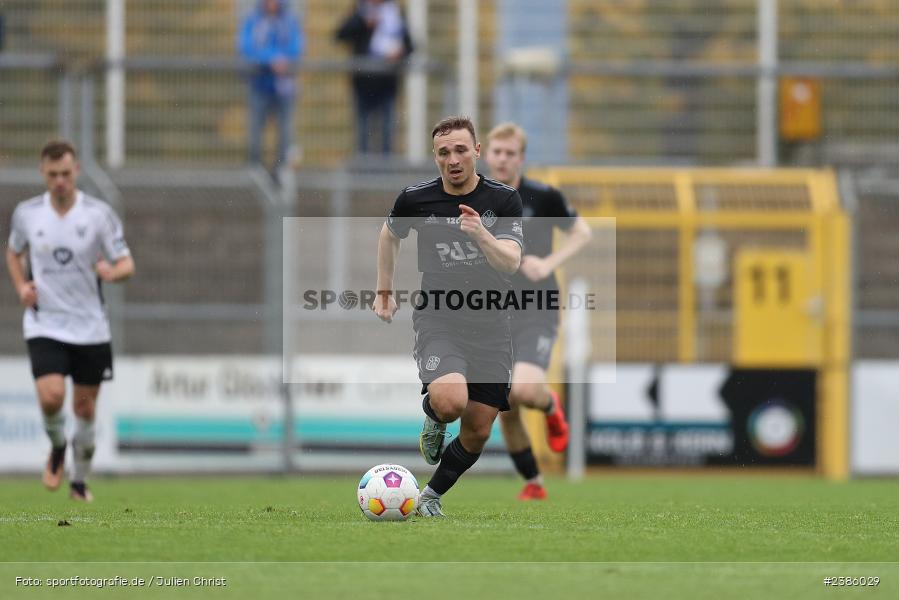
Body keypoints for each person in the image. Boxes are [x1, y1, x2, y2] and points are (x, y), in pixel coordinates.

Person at [373, 116, 524, 517]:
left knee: (477, 430)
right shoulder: (416, 199)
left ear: (476, 151)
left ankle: (430, 496)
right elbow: (389, 235)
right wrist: (384, 291)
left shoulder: (503, 200)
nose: (452, 159)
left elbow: (511, 262)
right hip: (441, 318)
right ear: (435, 157)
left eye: (460, 150)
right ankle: (434, 414)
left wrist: (480, 234)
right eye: (443, 152)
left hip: (493, 325)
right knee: (451, 401)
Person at [5, 140, 134, 502]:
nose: (59, 181)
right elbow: (13, 252)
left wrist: (112, 271)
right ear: (43, 173)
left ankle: (79, 482)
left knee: (85, 408)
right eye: (52, 174)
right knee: (51, 397)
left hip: (90, 326)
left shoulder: (98, 215)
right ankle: (58, 445)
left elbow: (127, 264)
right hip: (45, 322)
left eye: (65, 173)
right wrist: (21, 287)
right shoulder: (28, 214)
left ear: (76, 171)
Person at [484, 122, 593, 500]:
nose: (502, 159)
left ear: (521, 158)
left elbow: (582, 232)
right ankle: (534, 482)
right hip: (493, 313)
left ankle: (550, 405)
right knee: (506, 404)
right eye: (496, 152)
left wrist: (548, 264)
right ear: (486, 154)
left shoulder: (543, 197)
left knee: (526, 390)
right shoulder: (475, 199)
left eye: (509, 153)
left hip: (536, 307)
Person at [336, 0, 412, 155]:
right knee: (363, 134)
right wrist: (363, 22)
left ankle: (387, 174)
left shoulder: (395, 12)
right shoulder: (360, 11)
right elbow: (341, 34)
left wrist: (399, 53)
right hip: (363, 84)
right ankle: (363, 173)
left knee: (387, 132)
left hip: (387, 84)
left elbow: (410, 45)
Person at [238, 0, 303, 176]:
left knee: (285, 132)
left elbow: (296, 46)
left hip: (283, 87)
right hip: (260, 85)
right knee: (255, 131)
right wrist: (271, 59)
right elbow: (247, 47)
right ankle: (255, 169)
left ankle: (281, 170)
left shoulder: (289, 21)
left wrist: (283, 60)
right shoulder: (254, 20)